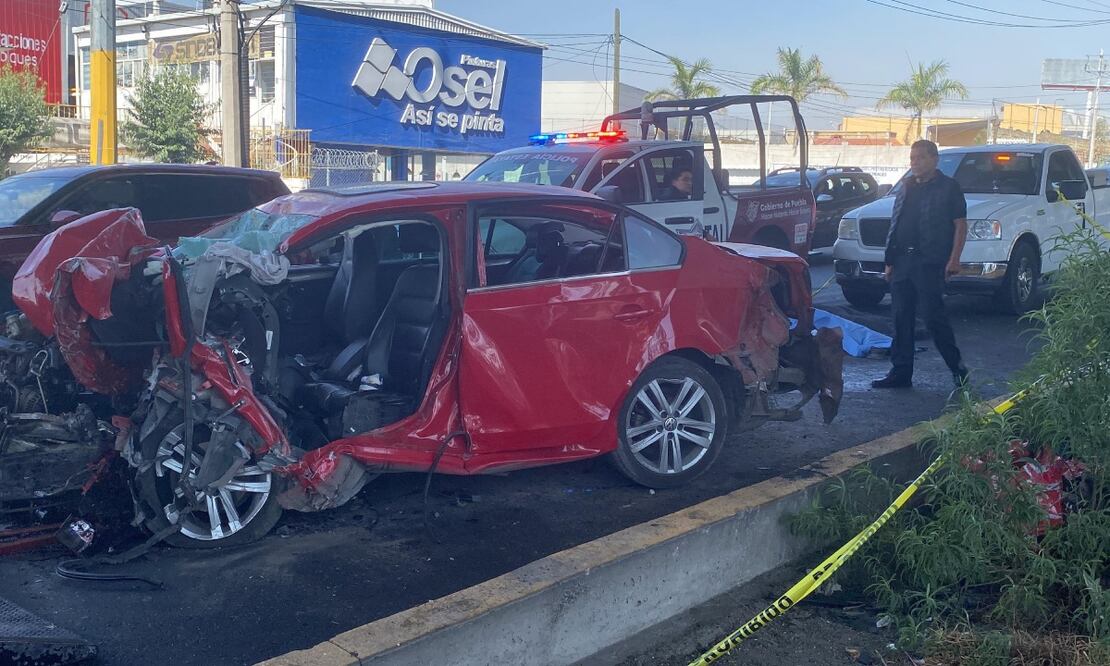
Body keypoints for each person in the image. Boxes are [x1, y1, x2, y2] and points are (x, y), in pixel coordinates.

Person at [872, 139, 970, 390]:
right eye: (912, 158)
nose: (915, 162)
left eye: (920, 158)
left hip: (930, 262)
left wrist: (954, 258)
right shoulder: (906, 186)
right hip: (903, 261)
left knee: (933, 317)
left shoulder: (948, 187)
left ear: (934, 160)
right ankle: (901, 373)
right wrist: (890, 261)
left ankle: (957, 369)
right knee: (901, 318)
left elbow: (960, 224)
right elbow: (896, 224)